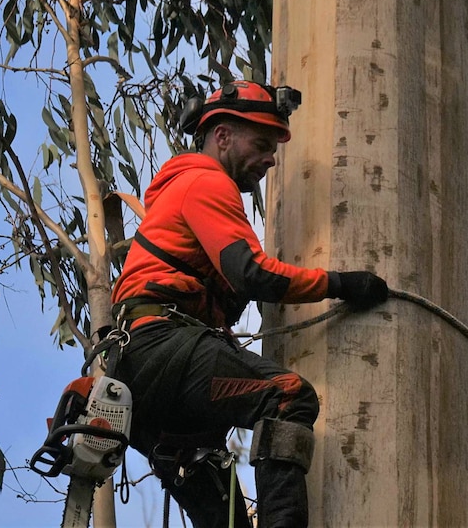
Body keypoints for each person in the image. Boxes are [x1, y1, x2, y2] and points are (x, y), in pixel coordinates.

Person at [110, 80, 388, 528]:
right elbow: (253, 273)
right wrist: (341, 283)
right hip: (162, 348)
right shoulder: (205, 183)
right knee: (286, 396)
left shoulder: (179, 194)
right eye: (261, 143)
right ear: (222, 136)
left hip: (145, 386)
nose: (270, 158)